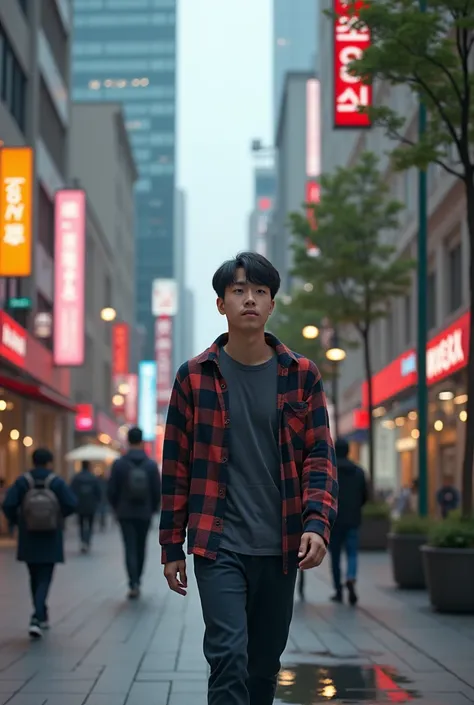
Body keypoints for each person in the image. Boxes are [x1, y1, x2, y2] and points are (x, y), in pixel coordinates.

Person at [160, 252, 338, 705]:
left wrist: (317, 523)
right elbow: (176, 465)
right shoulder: (193, 376)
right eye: (239, 291)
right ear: (221, 304)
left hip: (280, 545)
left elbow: (319, 456)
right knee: (227, 657)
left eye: (260, 291)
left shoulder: (301, 376)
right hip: (216, 545)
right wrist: (170, 546)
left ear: (272, 304)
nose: (250, 299)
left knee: (263, 666)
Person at [1, 448, 77, 639]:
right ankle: (37, 616)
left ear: (32, 461)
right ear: (50, 462)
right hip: (51, 535)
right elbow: (71, 503)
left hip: (29, 535)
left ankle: (40, 613)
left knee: (33, 574)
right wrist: (58, 518)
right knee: (45, 576)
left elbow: (8, 504)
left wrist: (19, 521)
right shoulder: (56, 481)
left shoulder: (23, 481)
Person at [108, 426, 161, 599]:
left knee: (129, 546)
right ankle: (138, 578)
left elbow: (111, 490)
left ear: (128, 441)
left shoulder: (119, 464)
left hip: (125, 512)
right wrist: (152, 509)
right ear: (142, 441)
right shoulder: (151, 465)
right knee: (141, 546)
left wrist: (116, 508)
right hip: (144, 513)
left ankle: (133, 582)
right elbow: (157, 491)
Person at [328, 438, 367, 606]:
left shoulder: (330, 471)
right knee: (352, 553)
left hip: (335, 520)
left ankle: (338, 590)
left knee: (335, 556)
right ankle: (351, 577)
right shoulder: (359, 471)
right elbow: (364, 496)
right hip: (353, 519)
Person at [70, 460, 102, 552]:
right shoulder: (93, 478)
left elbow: (72, 491)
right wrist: (97, 501)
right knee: (90, 524)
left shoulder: (76, 478)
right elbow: (98, 492)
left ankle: (82, 541)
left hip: (80, 504)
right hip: (91, 505)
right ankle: (88, 541)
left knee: (81, 524)